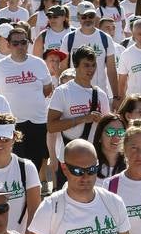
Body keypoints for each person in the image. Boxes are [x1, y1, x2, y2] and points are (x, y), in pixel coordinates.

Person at [0, 24, 53, 171]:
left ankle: (32, 190)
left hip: (37, 120)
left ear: (28, 43)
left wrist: (31, 100)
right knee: (15, 164)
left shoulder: (38, 63)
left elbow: (47, 88)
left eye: (23, 42)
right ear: (9, 45)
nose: (20, 46)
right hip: (12, 123)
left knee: (36, 162)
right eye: (15, 43)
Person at [47, 46, 110, 188]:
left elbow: (108, 128)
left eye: (93, 65)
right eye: (86, 65)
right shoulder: (62, 91)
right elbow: (51, 126)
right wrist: (82, 119)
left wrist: (103, 122)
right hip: (68, 161)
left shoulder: (100, 94)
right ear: (75, 66)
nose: (91, 69)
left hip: (93, 162)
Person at [61, 2, 119, 103]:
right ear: (78, 17)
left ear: (95, 17)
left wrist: (116, 96)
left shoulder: (105, 38)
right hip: (74, 93)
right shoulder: (69, 38)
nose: (87, 19)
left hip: (99, 93)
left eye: (91, 16)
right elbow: (63, 68)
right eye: (84, 16)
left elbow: (111, 69)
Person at [92, 113, 126, 180]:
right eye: (110, 132)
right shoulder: (89, 166)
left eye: (121, 132)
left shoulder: (131, 166)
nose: (116, 137)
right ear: (100, 136)